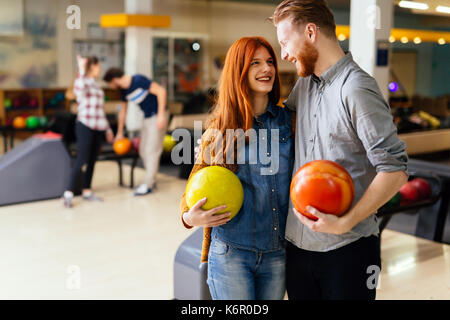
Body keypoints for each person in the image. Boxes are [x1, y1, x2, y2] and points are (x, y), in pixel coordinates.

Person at [270, 0, 409, 300]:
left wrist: (346, 221)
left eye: (284, 42)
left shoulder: (357, 88)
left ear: (310, 32)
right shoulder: (304, 85)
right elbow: (275, 127)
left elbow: (395, 170)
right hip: (298, 246)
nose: (283, 54)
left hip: (348, 251)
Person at [179, 37, 295, 300]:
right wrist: (189, 219)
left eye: (269, 62)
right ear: (238, 71)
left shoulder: (289, 122)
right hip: (231, 254)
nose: (266, 69)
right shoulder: (218, 130)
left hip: (278, 254)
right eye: (255, 63)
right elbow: (191, 192)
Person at [102, 68, 168, 196]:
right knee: (143, 150)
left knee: (152, 150)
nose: (110, 87)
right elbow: (123, 111)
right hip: (147, 117)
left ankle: (149, 185)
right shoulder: (124, 91)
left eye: (109, 84)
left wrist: (161, 115)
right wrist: (120, 131)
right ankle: (151, 179)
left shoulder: (138, 80)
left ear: (114, 80)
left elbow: (161, 91)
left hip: (158, 115)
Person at [62, 55, 114, 208]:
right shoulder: (83, 82)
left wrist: (108, 129)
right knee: (81, 159)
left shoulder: (96, 86)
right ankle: (68, 193)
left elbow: (100, 111)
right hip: (85, 125)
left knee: (92, 160)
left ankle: (87, 191)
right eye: (98, 66)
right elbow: (78, 89)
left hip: (98, 126)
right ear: (92, 67)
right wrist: (81, 68)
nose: (100, 70)